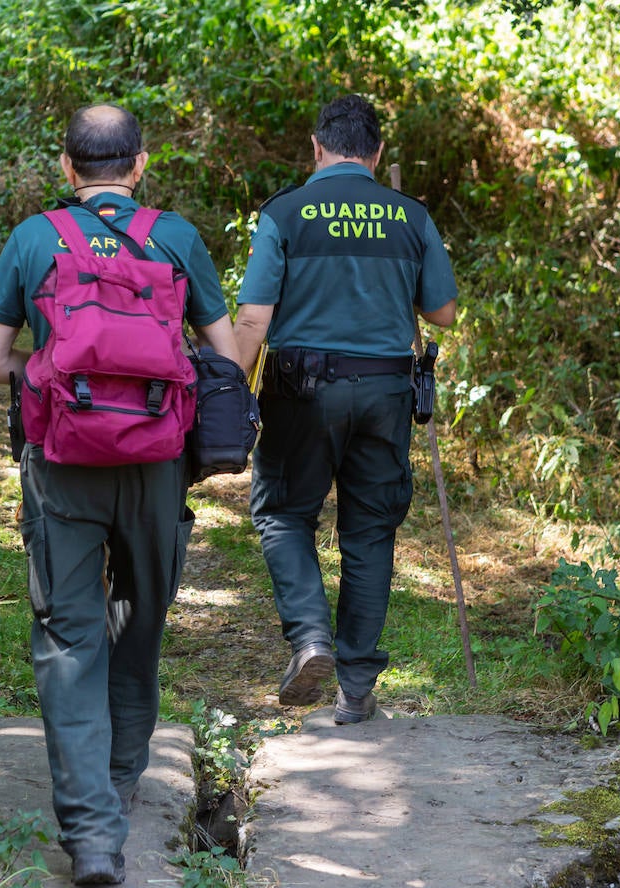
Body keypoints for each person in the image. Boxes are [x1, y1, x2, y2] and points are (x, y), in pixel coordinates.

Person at [0, 103, 240, 886]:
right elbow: (222, 356)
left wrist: (52, 376)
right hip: (158, 466)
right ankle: (121, 780)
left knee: (69, 635)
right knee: (142, 620)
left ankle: (92, 834)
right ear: (140, 163)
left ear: (66, 168)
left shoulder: (36, 238)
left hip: (63, 464)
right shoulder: (176, 236)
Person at [232, 93, 457, 724]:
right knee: (369, 530)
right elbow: (441, 312)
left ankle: (309, 640)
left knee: (281, 512)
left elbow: (254, 318)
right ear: (378, 152)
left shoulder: (285, 212)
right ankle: (355, 687)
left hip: (300, 390)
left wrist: (228, 388)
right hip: (387, 391)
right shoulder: (409, 215)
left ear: (317, 146)